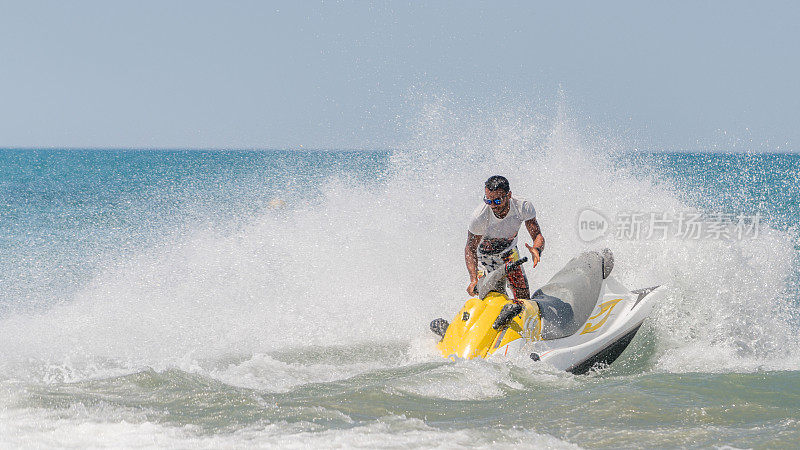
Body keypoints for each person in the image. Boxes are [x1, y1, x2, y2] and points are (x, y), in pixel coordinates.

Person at [465, 175, 545, 300]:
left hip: (509, 255)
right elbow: (470, 248)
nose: (493, 205)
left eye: (497, 201)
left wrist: (537, 249)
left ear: (509, 195)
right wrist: (473, 279)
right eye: (488, 200)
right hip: (485, 260)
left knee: (523, 298)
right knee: (492, 298)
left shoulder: (522, 206)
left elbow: (537, 235)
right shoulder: (479, 217)